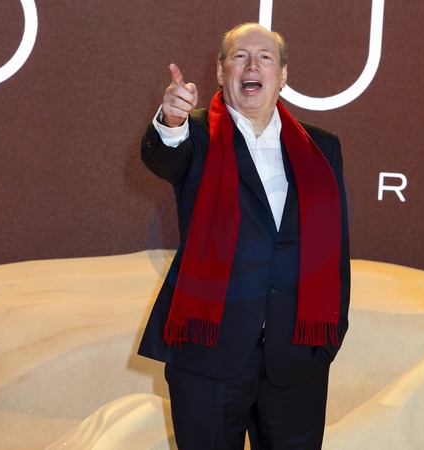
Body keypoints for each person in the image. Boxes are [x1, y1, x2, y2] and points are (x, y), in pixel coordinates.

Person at [138, 22, 350, 450]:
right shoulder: (195, 133)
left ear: (282, 75)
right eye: (239, 56)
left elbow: (335, 249)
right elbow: (165, 156)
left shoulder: (321, 146)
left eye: (265, 57)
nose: (252, 65)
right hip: (209, 355)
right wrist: (172, 120)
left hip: (296, 360)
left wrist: (325, 344)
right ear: (221, 72)